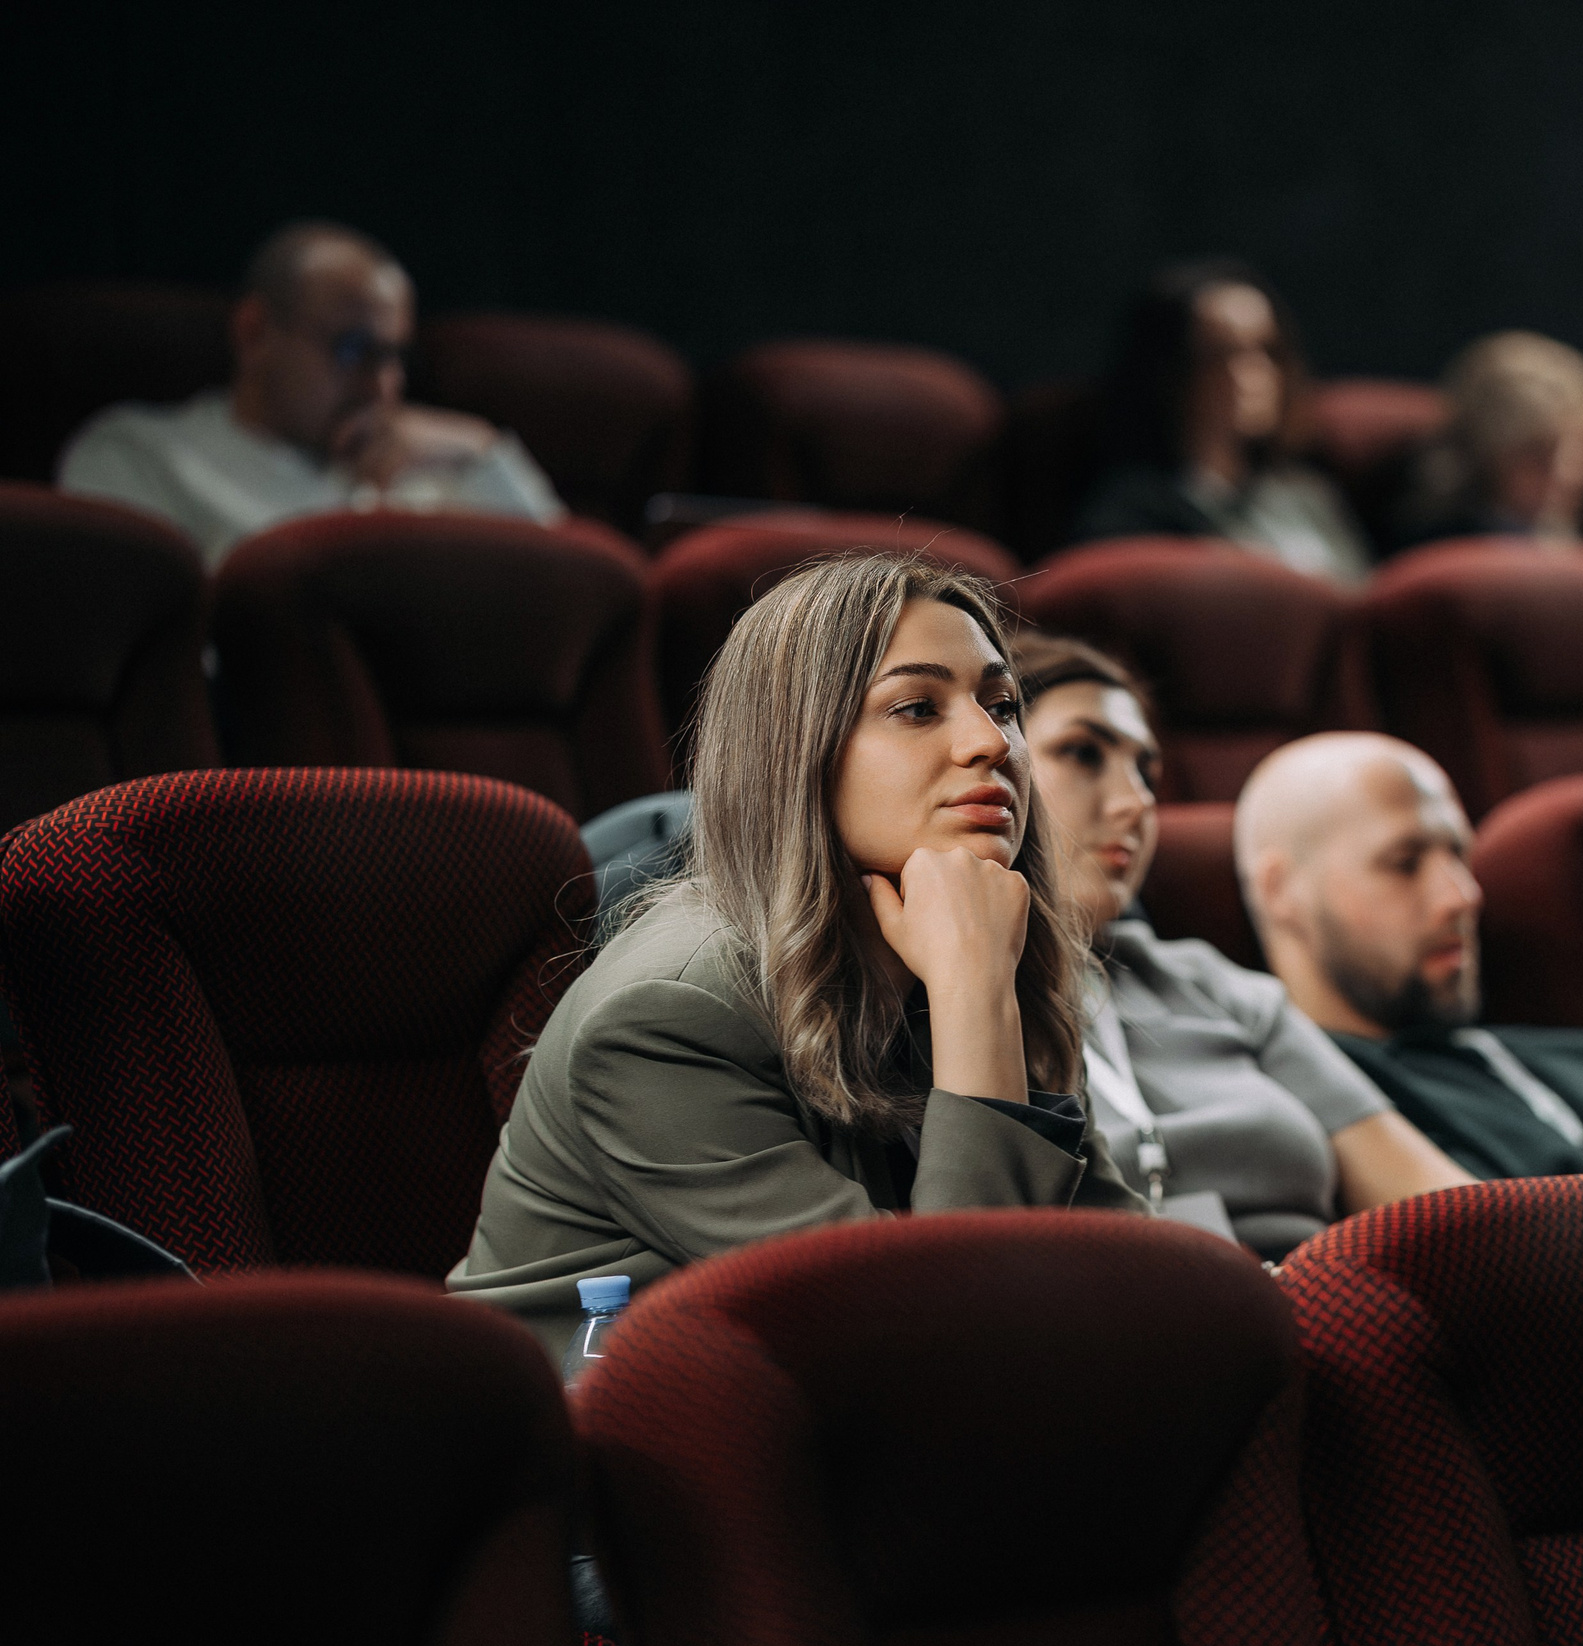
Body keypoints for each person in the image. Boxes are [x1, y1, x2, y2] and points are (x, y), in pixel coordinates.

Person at [451, 555, 1140, 1357]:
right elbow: (942, 1340)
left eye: (1003, 704)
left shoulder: (968, 950)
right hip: (616, 1451)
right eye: (917, 707)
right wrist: (974, 994)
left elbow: (1122, 1254)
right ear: (796, 750)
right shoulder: (666, 1013)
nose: (990, 743)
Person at [1016, 634, 1471, 1257]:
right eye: (1083, 753)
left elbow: (1435, 1201)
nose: (1136, 803)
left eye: (1146, 771)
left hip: (1323, 1306)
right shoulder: (945, 1004)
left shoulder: (1214, 984)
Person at [1234, 730, 1583, 1188]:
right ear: (1281, 891)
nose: (1463, 894)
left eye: (1458, 853)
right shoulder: (1327, 1119)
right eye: (1404, 864)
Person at [58, 220, 562, 565]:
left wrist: (482, 448)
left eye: (395, 357)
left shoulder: (432, 466)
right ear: (254, 333)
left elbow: (564, 594)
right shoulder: (139, 454)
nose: (382, 384)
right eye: (354, 348)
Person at [1072, 258, 1371, 584]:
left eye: (1266, 350)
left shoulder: (1308, 497)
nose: (1253, 375)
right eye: (1222, 353)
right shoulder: (1132, 512)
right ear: (1170, 372)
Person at [1392, 331, 1583, 550]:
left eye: (1582, 449)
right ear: (1484, 458)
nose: (1570, 473)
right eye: (1537, 455)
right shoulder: (1438, 549)